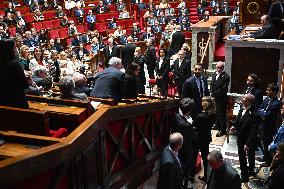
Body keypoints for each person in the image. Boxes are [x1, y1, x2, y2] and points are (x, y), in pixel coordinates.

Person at [231, 94, 259, 182]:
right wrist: (234, 126)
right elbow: (238, 119)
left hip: (249, 140)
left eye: (244, 98)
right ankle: (244, 175)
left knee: (250, 156)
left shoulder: (254, 113)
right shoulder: (242, 108)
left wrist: (248, 143)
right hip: (240, 137)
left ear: (248, 101)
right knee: (242, 157)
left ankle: (251, 171)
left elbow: (253, 130)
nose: (242, 99)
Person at [171, 98, 197, 186]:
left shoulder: (176, 116)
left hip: (175, 146)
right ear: (190, 110)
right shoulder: (187, 125)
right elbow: (194, 136)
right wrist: (191, 125)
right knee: (187, 164)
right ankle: (185, 183)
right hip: (185, 148)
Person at [0, 39, 29, 108]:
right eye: (14, 47)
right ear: (10, 50)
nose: (16, 50)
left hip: (2, 101)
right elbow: (25, 85)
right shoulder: (14, 64)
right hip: (16, 102)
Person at [193, 96, 216, 182]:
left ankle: (191, 175)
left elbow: (194, 126)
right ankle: (207, 175)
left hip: (198, 138)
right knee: (205, 157)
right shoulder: (213, 114)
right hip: (206, 137)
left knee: (194, 156)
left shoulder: (200, 116)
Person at [259, 83, 281, 166]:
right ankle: (265, 157)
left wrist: (263, 114)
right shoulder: (266, 99)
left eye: (269, 90)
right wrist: (263, 113)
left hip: (269, 127)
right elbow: (260, 109)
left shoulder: (276, 103)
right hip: (262, 125)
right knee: (263, 143)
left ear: (274, 92)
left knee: (268, 143)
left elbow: (268, 115)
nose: (266, 91)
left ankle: (268, 161)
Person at [211, 61, 230, 137]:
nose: (218, 69)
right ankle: (217, 125)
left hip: (221, 98)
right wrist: (211, 93)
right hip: (214, 98)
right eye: (217, 67)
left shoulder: (226, 76)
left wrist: (213, 95)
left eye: (220, 68)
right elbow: (212, 84)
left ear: (223, 68)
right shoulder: (214, 74)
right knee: (216, 113)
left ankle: (222, 130)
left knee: (221, 115)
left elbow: (222, 89)